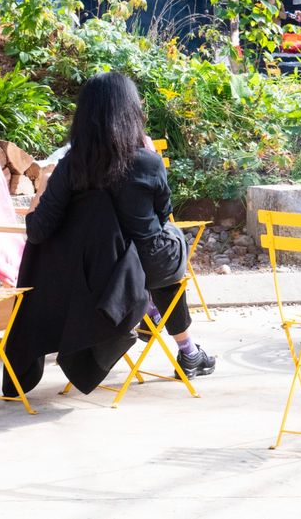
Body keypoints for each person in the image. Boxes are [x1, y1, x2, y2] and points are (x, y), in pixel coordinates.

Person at [11, 72, 214, 395]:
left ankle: (149, 310)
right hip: (136, 272)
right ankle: (187, 350)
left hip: (91, 278)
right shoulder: (147, 162)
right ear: (130, 112)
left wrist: (42, 192)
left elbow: (38, 232)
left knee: (142, 257)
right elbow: (163, 214)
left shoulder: (70, 165)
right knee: (168, 244)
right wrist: (153, 160)